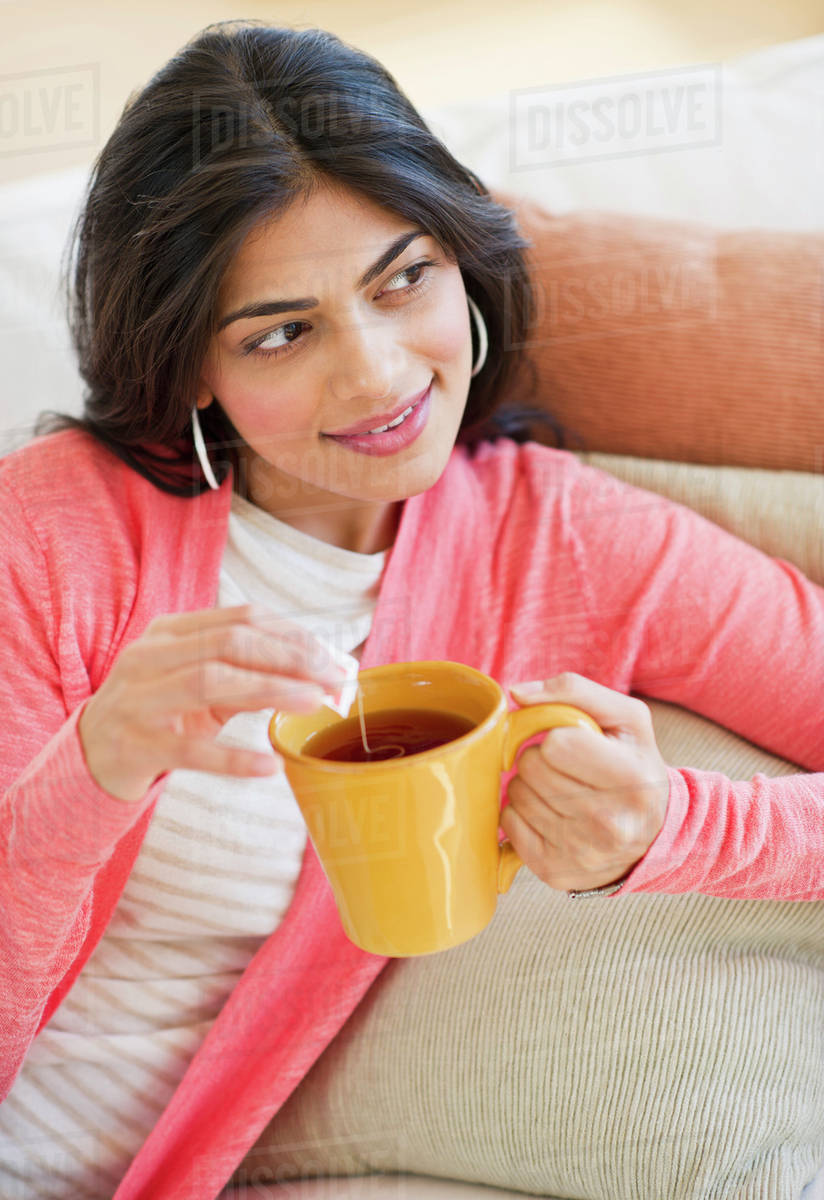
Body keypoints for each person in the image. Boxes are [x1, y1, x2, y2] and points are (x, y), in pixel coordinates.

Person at [0, 18, 821, 1200]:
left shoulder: (563, 540)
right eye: (282, 332)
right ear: (190, 368)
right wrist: (91, 769)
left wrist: (673, 829)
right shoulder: (46, 535)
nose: (379, 374)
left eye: (404, 279)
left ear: (460, 259)